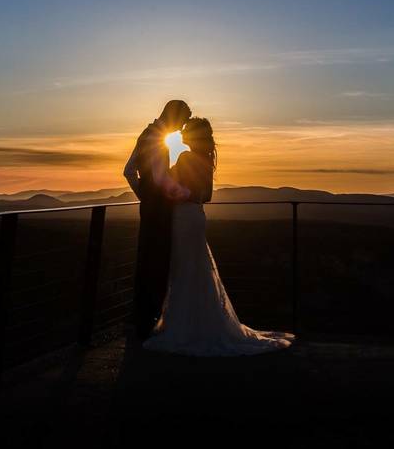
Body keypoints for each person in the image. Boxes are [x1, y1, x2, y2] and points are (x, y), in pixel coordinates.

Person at [142, 117, 295, 356]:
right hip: (197, 215)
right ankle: (201, 323)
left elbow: (174, 189)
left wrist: (167, 186)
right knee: (195, 270)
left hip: (183, 217)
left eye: (186, 131)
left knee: (183, 271)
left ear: (193, 135)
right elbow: (207, 195)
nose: (181, 134)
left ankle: (185, 327)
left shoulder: (186, 158)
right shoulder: (205, 159)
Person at [124, 99, 192, 340]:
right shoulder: (155, 138)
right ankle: (150, 320)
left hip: (150, 207)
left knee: (147, 257)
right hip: (158, 210)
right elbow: (159, 177)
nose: (182, 128)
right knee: (157, 259)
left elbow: (129, 170)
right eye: (182, 121)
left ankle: (143, 319)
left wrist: (142, 195)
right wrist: (183, 193)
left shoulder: (147, 134)